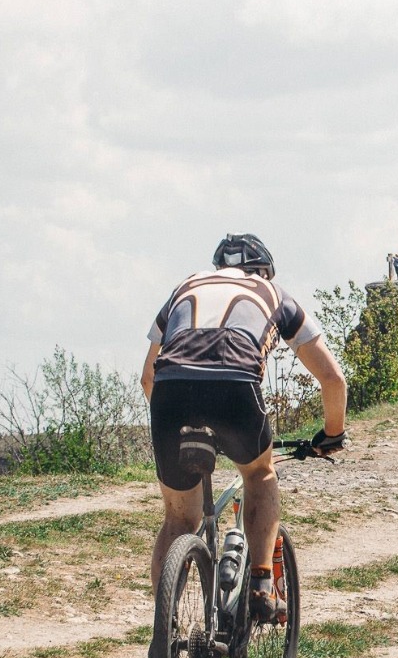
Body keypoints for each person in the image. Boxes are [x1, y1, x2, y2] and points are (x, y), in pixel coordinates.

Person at [140, 234, 348, 621]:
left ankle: (165, 630)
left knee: (179, 519)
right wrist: (332, 434)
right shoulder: (274, 294)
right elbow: (333, 379)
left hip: (171, 393)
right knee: (260, 475)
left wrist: (181, 424)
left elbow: (147, 379)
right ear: (264, 271)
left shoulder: (185, 287)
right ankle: (261, 585)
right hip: (234, 386)